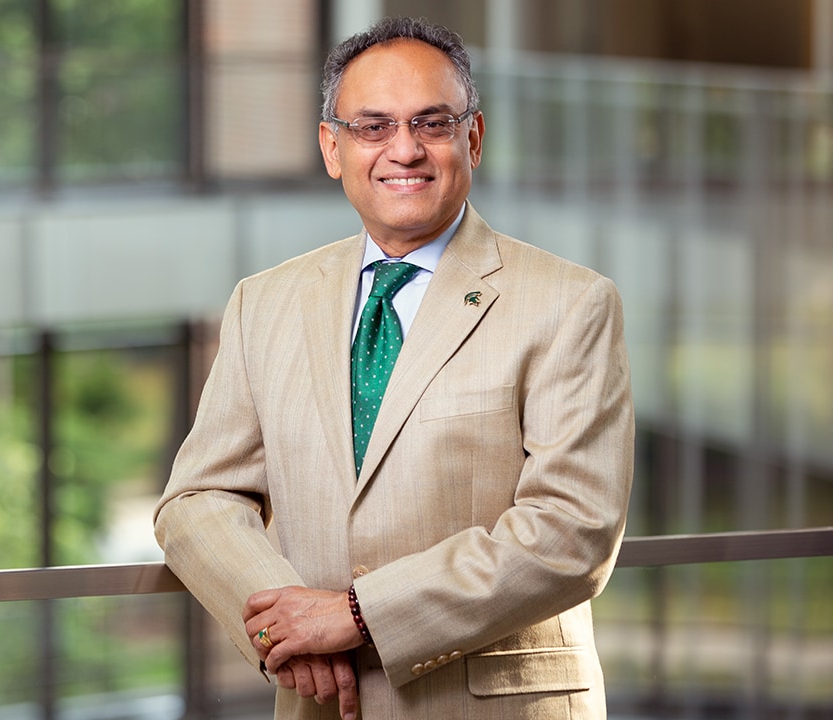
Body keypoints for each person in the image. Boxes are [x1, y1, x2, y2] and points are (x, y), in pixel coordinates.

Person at [153, 15, 634, 720]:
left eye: (431, 123)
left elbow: (572, 531)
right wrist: (285, 628)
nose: (402, 150)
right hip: (320, 703)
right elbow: (198, 500)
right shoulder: (265, 303)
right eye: (372, 127)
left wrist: (356, 614)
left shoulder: (570, 304)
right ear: (331, 147)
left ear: (472, 138)